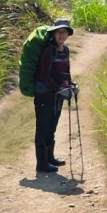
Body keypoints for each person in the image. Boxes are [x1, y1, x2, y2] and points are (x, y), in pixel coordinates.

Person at [33, 18, 76, 173]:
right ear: (53, 34)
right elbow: (44, 75)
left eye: (64, 32)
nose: (61, 35)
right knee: (43, 128)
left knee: (52, 127)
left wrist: (70, 84)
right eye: (58, 32)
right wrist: (58, 88)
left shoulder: (65, 50)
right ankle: (41, 163)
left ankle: (50, 158)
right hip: (44, 95)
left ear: (68, 34)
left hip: (57, 96)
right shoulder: (49, 50)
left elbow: (66, 71)